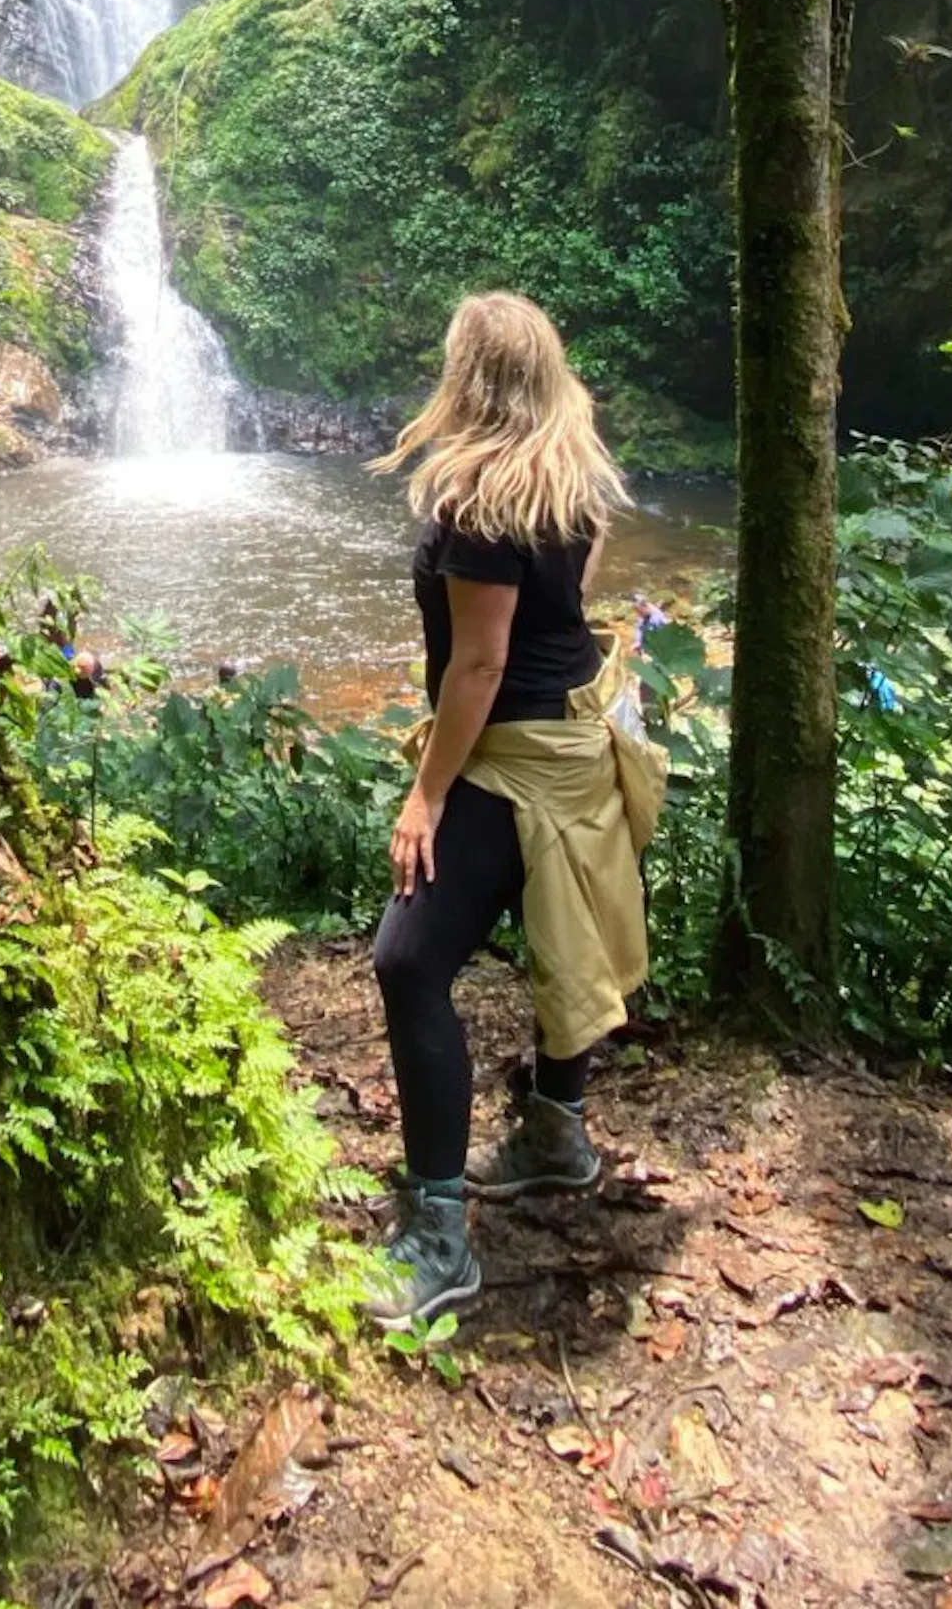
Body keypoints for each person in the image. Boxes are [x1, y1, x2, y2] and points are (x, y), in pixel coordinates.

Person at [362, 291, 664, 1327]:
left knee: (407, 962)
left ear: (470, 378)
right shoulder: (569, 473)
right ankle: (556, 1132)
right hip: (577, 743)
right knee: (563, 939)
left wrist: (425, 794)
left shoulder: (483, 500)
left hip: (510, 756)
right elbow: (565, 599)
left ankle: (440, 1239)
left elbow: (481, 664)